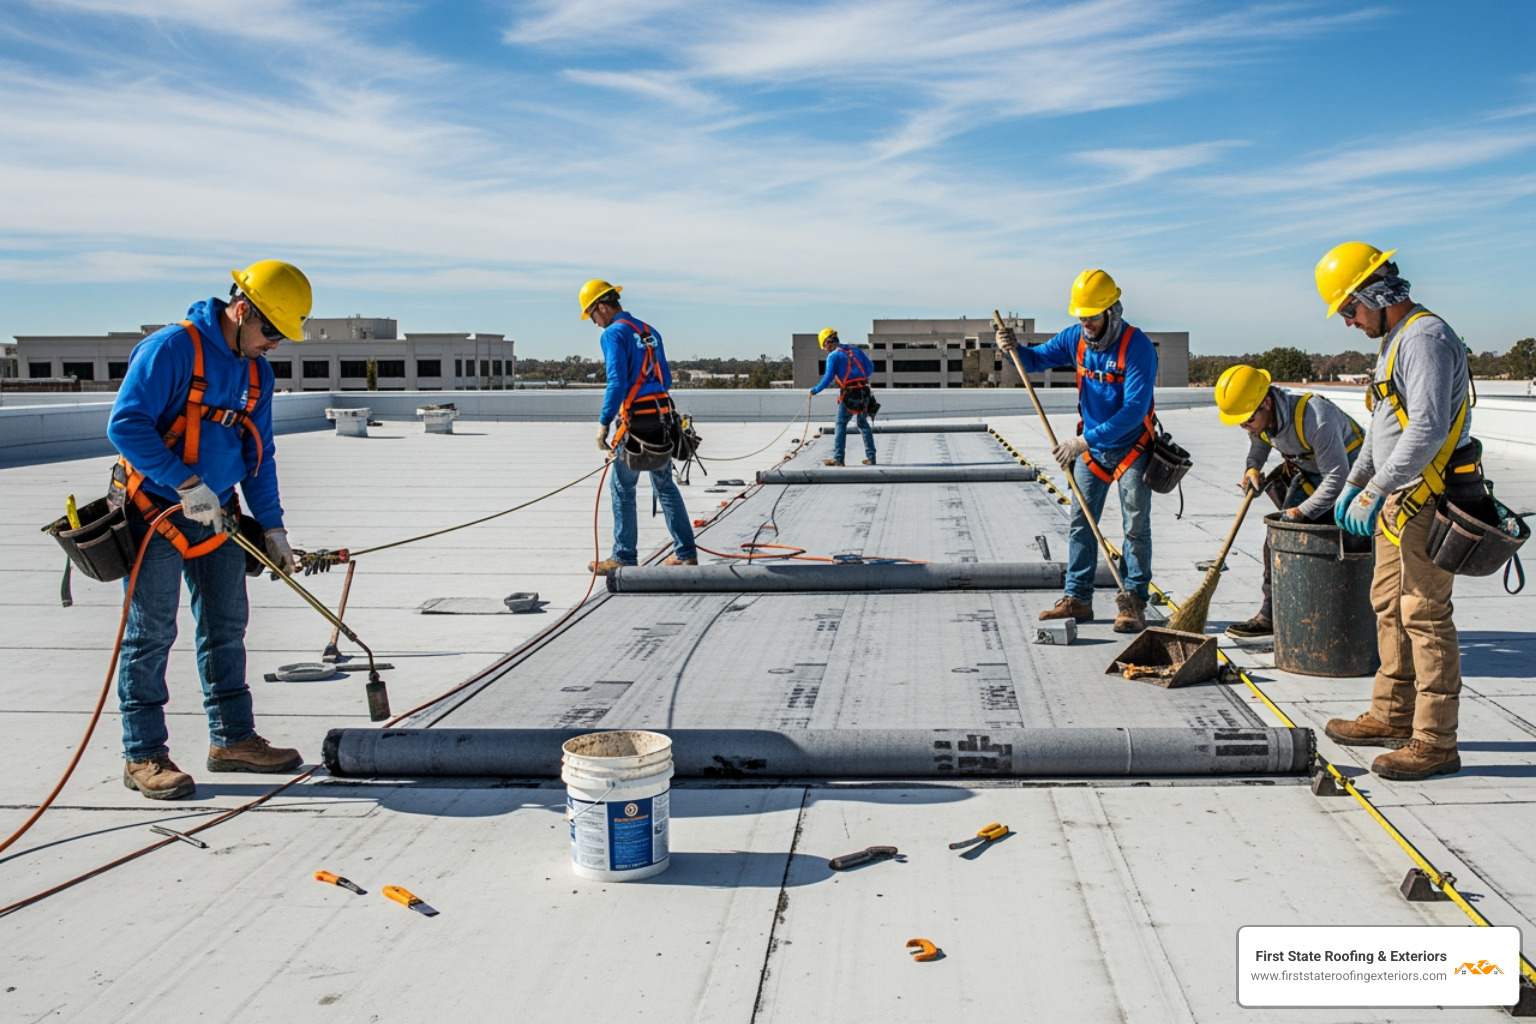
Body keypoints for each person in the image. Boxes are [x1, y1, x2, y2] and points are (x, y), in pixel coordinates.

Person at [106, 261, 311, 800]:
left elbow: (259, 456)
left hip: (216, 516)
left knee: (226, 627)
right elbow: (126, 426)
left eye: (282, 338)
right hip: (157, 513)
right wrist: (183, 485)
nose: (273, 345)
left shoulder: (256, 373)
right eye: (270, 332)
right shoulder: (172, 349)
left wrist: (273, 528)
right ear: (242, 310)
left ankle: (233, 740)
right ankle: (144, 754)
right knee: (150, 634)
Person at [1316, 242, 1472, 781]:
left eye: (1349, 309)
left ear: (1374, 294)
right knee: (1389, 606)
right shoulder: (1393, 342)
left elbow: (1426, 426)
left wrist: (1380, 486)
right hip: (1395, 500)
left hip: (1423, 498)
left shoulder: (1425, 337)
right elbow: (1386, 421)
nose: (1348, 321)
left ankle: (1434, 740)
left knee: (1425, 615)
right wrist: (1358, 482)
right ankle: (1391, 714)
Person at [997, 269, 1157, 633]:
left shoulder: (1137, 347)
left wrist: (1083, 441)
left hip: (1132, 445)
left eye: (1092, 316)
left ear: (1111, 311)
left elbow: (1134, 408)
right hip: (1093, 450)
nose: (1086, 322)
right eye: (1081, 316)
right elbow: (1034, 361)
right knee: (1080, 523)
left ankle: (1133, 600)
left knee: (1134, 524)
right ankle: (1078, 597)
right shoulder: (1076, 339)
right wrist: (1010, 349)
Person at [1213, 365, 1364, 638]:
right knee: (1276, 541)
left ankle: (1349, 623)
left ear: (1266, 403)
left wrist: (1301, 512)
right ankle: (1270, 615)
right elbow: (1259, 442)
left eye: (1247, 419)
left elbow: (1337, 477)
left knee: (1340, 548)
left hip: (1353, 482)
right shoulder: (1259, 419)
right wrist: (1252, 468)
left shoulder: (1315, 417)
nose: (1244, 426)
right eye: (1240, 422)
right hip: (1311, 475)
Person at [580, 278, 698, 573]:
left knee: (622, 489)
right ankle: (685, 552)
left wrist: (604, 422)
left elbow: (617, 382)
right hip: (661, 418)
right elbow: (666, 379)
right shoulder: (649, 331)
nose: (594, 322)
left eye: (592, 315)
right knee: (665, 485)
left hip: (634, 423)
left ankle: (623, 556)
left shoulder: (613, 334)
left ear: (602, 307)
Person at [808, 328, 876, 466]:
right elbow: (869, 368)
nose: (826, 350)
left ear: (828, 342)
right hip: (864, 392)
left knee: (840, 424)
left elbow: (828, 379)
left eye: (825, 346)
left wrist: (814, 391)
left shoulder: (834, 356)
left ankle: (839, 458)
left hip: (849, 395)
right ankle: (871, 457)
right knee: (863, 424)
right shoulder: (855, 350)